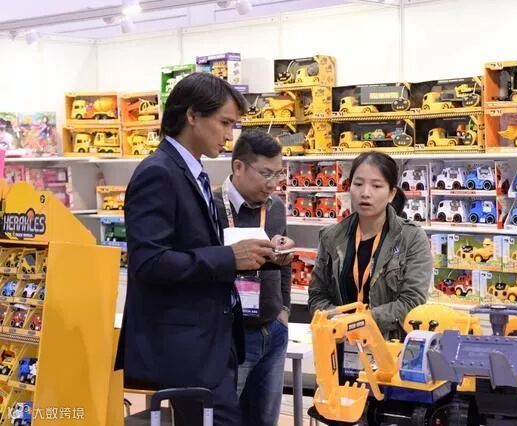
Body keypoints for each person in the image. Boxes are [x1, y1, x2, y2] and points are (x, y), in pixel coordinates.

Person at [115, 72, 276, 426]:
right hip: (184, 349)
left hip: (209, 344)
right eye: (224, 123)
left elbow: (189, 246)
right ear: (192, 115)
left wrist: (247, 254)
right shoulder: (159, 173)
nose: (229, 136)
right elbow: (149, 261)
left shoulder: (193, 172)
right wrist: (227, 257)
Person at [308, 151, 431, 340]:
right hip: (339, 343)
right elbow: (317, 296)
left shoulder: (411, 237)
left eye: (376, 186)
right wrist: (335, 319)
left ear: (391, 194)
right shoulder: (331, 236)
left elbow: (412, 302)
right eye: (358, 184)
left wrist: (359, 321)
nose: (365, 193)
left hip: (389, 347)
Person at [215, 129, 293, 426]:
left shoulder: (276, 208)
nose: (272, 183)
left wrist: (284, 310)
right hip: (230, 336)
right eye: (265, 173)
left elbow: (284, 263)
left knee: (264, 419)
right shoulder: (211, 207)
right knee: (225, 417)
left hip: (272, 330)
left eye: (278, 174)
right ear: (238, 166)